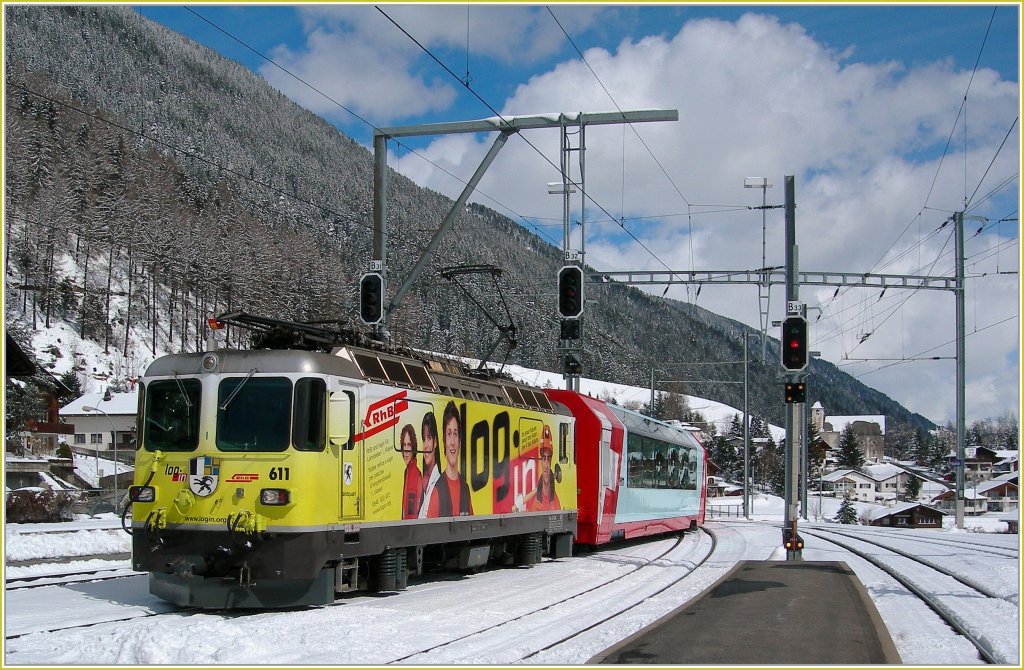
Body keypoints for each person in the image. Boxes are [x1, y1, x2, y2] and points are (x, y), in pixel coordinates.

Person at [426, 400, 473, 517]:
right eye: (449, 434)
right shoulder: (437, 491)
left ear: (460, 441)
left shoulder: (465, 489)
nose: (452, 442)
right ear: (444, 441)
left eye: (455, 434)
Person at [527, 425, 560, 512]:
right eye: (543, 458)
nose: (546, 465)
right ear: (540, 461)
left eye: (549, 459)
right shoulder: (533, 501)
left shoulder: (556, 501)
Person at [418, 411, 441, 518]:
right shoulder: (424, 483)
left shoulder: (439, 484)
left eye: (429, 438)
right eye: (423, 439)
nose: (425, 445)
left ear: (435, 442)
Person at [399, 424, 421, 519]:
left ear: (413, 447)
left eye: (409, 445)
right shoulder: (407, 471)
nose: (406, 450)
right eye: (404, 445)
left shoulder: (415, 475)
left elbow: (411, 513)